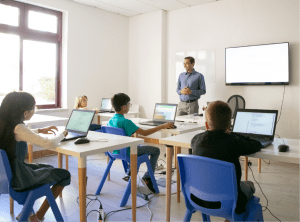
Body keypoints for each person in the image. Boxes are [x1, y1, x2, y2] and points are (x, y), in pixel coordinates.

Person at [0, 92, 70, 222]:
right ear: (24, 112)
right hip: (20, 179)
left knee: (47, 167)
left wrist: (40, 131)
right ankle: (37, 216)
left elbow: (21, 134)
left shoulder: (4, 124)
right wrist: (63, 134)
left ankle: (26, 212)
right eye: (33, 108)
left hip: (7, 177)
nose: (34, 110)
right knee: (64, 174)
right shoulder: (19, 128)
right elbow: (49, 143)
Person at [191, 100, 262, 218]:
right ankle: (232, 218)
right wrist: (233, 134)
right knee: (249, 184)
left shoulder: (196, 140)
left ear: (207, 125)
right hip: (230, 202)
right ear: (229, 125)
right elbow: (256, 144)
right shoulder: (232, 142)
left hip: (198, 198)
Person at [108, 93, 175, 193]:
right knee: (156, 150)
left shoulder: (111, 120)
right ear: (124, 107)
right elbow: (145, 133)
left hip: (114, 152)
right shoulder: (126, 122)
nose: (129, 107)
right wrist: (162, 126)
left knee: (138, 145)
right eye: (129, 104)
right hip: (128, 153)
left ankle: (130, 171)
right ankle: (147, 177)